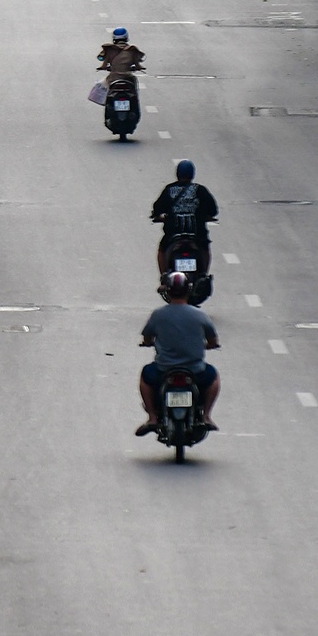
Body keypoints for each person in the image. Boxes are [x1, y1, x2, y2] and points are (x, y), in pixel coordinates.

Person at [137, 272, 221, 435]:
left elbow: (147, 337)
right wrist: (206, 346)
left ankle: (152, 418)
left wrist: (148, 343)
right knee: (214, 377)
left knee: (145, 377)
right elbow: (213, 340)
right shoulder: (200, 315)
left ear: (167, 292)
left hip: (163, 369)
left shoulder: (158, 314)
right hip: (195, 370)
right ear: (189, 291)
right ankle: (207, 416)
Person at [150, 158, 220, 278]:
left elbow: (157, 208)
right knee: (204, 248)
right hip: (197, 235)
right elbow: (213, 210)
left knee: (162, 250)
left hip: (173, 235)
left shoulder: (169, 190)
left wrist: (159, 217)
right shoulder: (200, 190)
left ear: (177, 174)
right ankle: (204, 275)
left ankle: (164, 279)